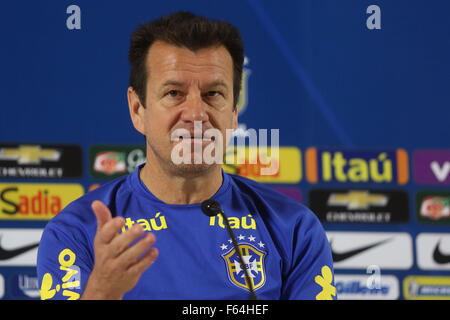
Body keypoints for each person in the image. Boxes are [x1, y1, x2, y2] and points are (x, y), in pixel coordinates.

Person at [37, 11, 336, 300]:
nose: (195, 113)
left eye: (213, 94)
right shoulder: (75, 230)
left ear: (233, 114)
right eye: (174, 93)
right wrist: (102, 292)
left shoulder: (295, 229)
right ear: (137, 110)